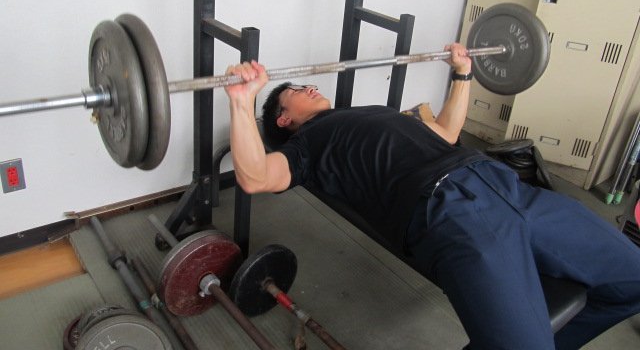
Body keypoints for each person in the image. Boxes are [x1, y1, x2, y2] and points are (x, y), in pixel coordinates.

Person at [224, 43, 640, 350]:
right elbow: (256, 176)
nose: (310, 86)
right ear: (284, 118)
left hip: (507, 187)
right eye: (297, 89)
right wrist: (243, 102)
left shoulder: (368, 113)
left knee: (632, 282)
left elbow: (446, 133)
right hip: (453, 216)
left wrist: (462, 73)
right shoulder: (307, 148)